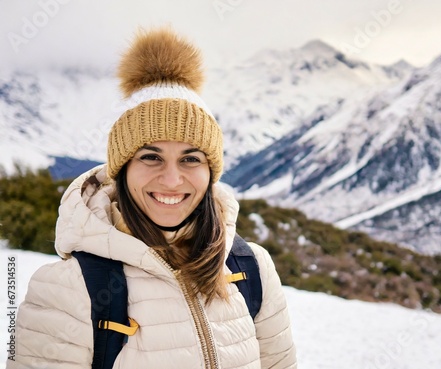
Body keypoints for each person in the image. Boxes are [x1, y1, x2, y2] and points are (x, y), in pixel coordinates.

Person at [8, 28, 297, 369]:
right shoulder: (66, 289)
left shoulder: (252, 269)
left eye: (191, 158)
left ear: (211, 172)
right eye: (150, 157)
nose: (172, 180)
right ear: (122, 169)